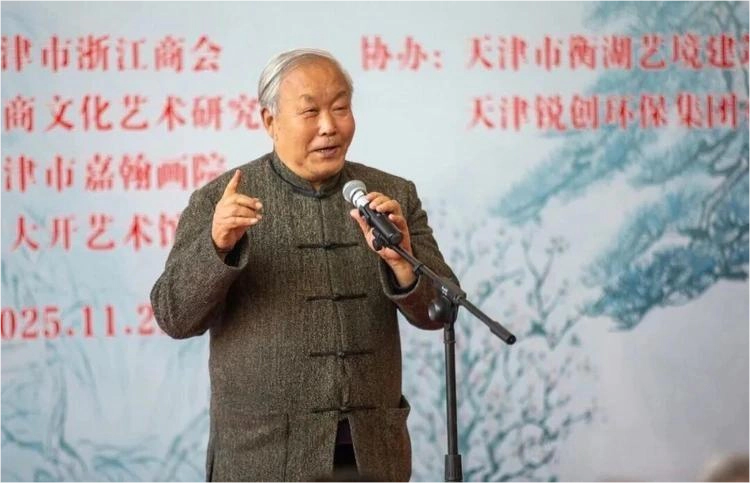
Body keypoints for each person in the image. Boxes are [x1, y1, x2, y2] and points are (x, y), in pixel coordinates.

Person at [150, 48, 456, 482]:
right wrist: (216, 245)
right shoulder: (221, 200)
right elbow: (174, 316)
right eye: (310, 112)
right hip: (263, 457)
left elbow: (442, 310)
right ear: (270, 121)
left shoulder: (391, 196)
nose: (329, 126)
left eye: (341, 108)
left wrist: (403, 263)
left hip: (370, 453)